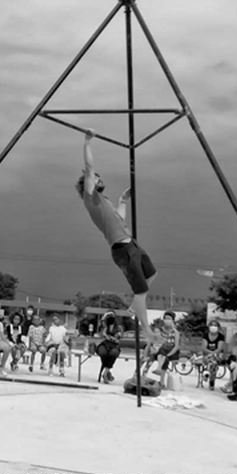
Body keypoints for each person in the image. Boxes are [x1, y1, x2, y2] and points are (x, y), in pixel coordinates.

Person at [77, 129, 157, 339]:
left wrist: (123, 200)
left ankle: (134, 306)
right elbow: (90, 167)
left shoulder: (106, 202)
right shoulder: (90, 198)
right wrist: (87, 143)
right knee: (141, 292)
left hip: (132, 244)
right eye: (95, 178)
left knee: (152, 274)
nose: (98, 179)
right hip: (122, 249)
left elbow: (120, 219)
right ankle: (146, 330)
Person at [152, 311, 180, 386]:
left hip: (172, 351)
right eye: (165, 318)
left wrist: (169, 354)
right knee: (164, 355)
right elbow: (156, 342)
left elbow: (176, 346)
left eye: (169, 318)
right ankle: (162, 382)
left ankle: (159, 368)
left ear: (173, 320)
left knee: (164, 353)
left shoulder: (176, 332)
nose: (167, 320)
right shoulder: (160, 330)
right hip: (161, 351)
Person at [95, 310, 123, 384]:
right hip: (105, 344)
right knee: (102, 352)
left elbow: (117, 339)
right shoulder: (105, 326)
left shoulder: (118, 328)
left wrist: (109, 337)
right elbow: (100, 323)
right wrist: (105, 316)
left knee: (113, 354)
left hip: (114, 345)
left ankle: (105, 373)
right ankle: (107, 371)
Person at [200, 319, 226, 391]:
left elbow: (219, 348)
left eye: (215, 325)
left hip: (217, 355)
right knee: (213, 363)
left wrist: (212, 354)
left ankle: (206, 372)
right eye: (211, 325)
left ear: (218, 327)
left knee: (213, 361)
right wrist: (210, 354)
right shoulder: (205, 336)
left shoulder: (221, 336)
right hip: (207, 356)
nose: (213, 327)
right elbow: (204, 348)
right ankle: (211, 381)